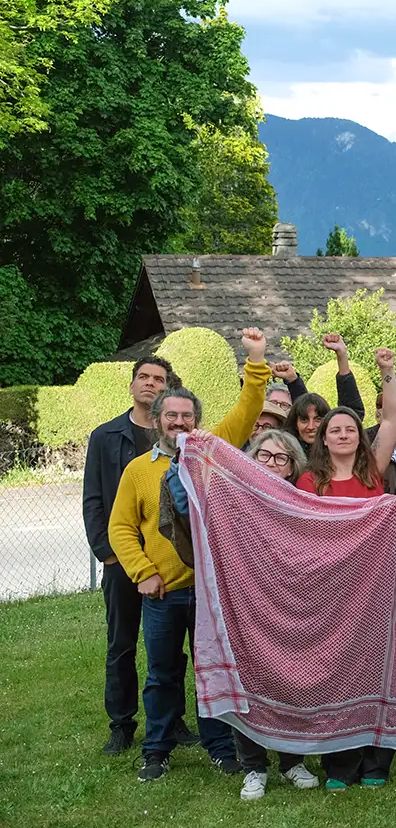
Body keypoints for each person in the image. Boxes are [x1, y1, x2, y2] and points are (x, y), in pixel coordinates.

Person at [107, 328, 271, 783]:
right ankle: (156, 749)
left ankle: (220, 748)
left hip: (210, 591)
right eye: (171, 415)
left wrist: (254, 360)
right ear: (158, 419)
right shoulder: (139, 470)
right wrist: (142, 572)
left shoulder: (211, 453)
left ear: (196, 420)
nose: (179, 422)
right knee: (161, 674)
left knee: (212, 672)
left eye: (187, 416)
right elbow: (120, 527)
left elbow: (247, 410)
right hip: (161, 593)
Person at [295, 348, 396, 790]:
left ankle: (376, 764)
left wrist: (388, 372)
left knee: (380, 668)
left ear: (360, 438)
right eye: (334, 430)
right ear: (322, 439)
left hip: (376, 586)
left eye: (349, 429)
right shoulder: (309, 481)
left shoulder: (373, 469)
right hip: (332, 590)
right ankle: (339, 766)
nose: (342, 434)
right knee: (338, 674)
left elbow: (394, 419)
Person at [84, 355, 196, 757]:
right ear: (132, 385)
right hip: (122, 561)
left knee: (167, 644)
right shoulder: (106, 436)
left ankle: (174, 720)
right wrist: (110, 557)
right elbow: (95, 501)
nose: (149, 383)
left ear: (167, 388)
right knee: (123, 643)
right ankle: (122, 723)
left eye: (158, 378)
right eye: (143, 377)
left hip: (170, 568)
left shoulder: (180, 435)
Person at [229, 428, 320, 800]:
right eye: (264, 455)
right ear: (251, 459)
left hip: (291, 601)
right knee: (247, 682)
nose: (271, 463)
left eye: (281, 458)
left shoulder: (301, 500)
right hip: (245, 601)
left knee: (293, 680)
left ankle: (292, 761)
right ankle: (253, 767)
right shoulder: (232, 497)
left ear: (291, 466)